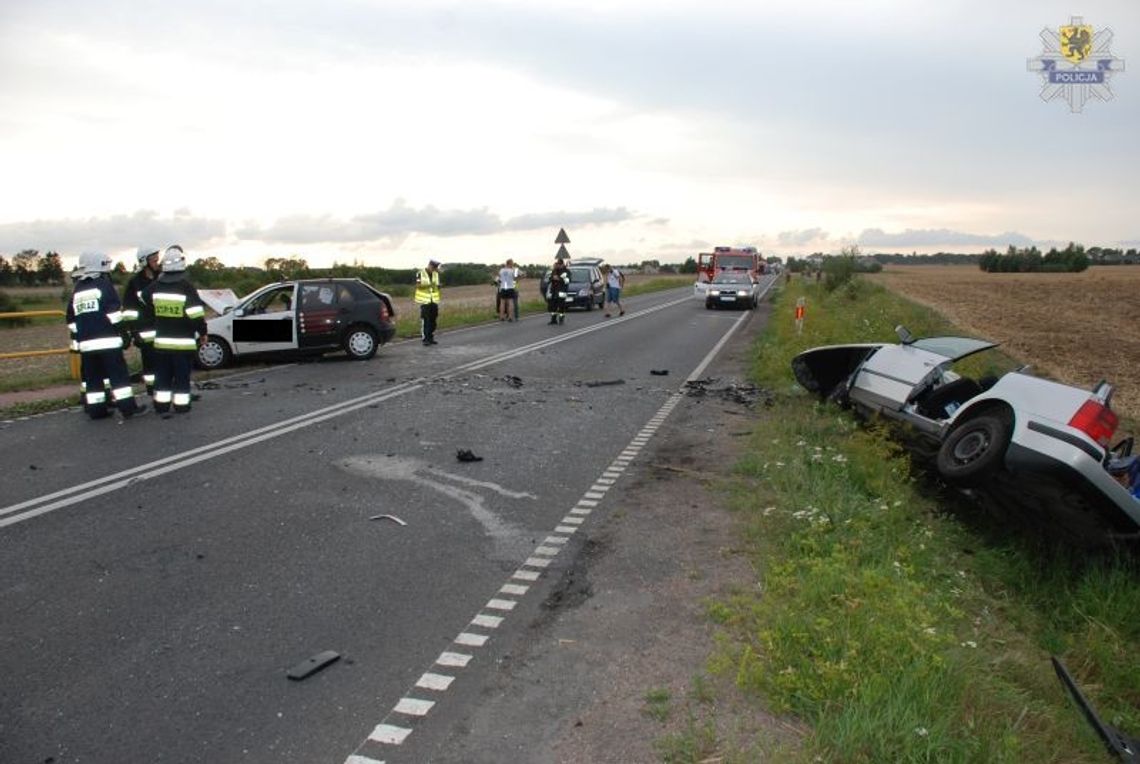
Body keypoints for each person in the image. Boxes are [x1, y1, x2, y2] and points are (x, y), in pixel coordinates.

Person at [66, 251, 145, 420]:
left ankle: (97, 410)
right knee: (118, 377)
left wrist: (79, 337)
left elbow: (71, 319)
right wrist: (124, 333)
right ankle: (128, 408)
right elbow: (113, 313)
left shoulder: (78, 288)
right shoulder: (103, 285)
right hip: (107, 342)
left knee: (93, 379)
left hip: (86, 345)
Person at [140, 245, 207, 415]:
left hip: (162, 344)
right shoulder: (186, 286)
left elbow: (144, 296)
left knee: (162, 376)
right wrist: (203, 332)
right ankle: (181, 405)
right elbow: (196, 314)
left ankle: (161, 405)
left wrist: (156, 309)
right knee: (181, 377)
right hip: (183, 344)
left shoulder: (157, 285)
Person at [121, 245, 162, 395]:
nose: (157, 263)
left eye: (158, 260)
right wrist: (133, 331)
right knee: (149, 365)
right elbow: (129, 309)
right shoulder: (135, 282)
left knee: (167, 362)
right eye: (154, 260)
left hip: (164, 329)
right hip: (146, 332)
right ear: (145, 262)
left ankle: (169, 388)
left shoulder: (162, 277)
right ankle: (152, 390)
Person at [415, 258, 442, 345]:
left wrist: (438, 286)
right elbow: (418, 285)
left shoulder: (436, 274)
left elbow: (436, 286)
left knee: (433, 320)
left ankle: (431, 337)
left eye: (436, 267)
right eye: (433, 267)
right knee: (426, 320)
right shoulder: (420, 273)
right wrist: (429, 285)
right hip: (424, 301)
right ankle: (425, 339)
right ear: (429, 265)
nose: (434, 269)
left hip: (434, 300)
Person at [546, 257, 570, 325]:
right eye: (557, 264)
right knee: (553, 306)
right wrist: (552, 278)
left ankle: (561, 319)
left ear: (562, 264)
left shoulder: (566, 271)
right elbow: (549, 278)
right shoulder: (554, 270)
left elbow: (567, 281)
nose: (558, 265)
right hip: (554, 291)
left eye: (559, 264)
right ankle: (553, 320)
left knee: (561, 306)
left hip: (562, 291)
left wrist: (559, 279)